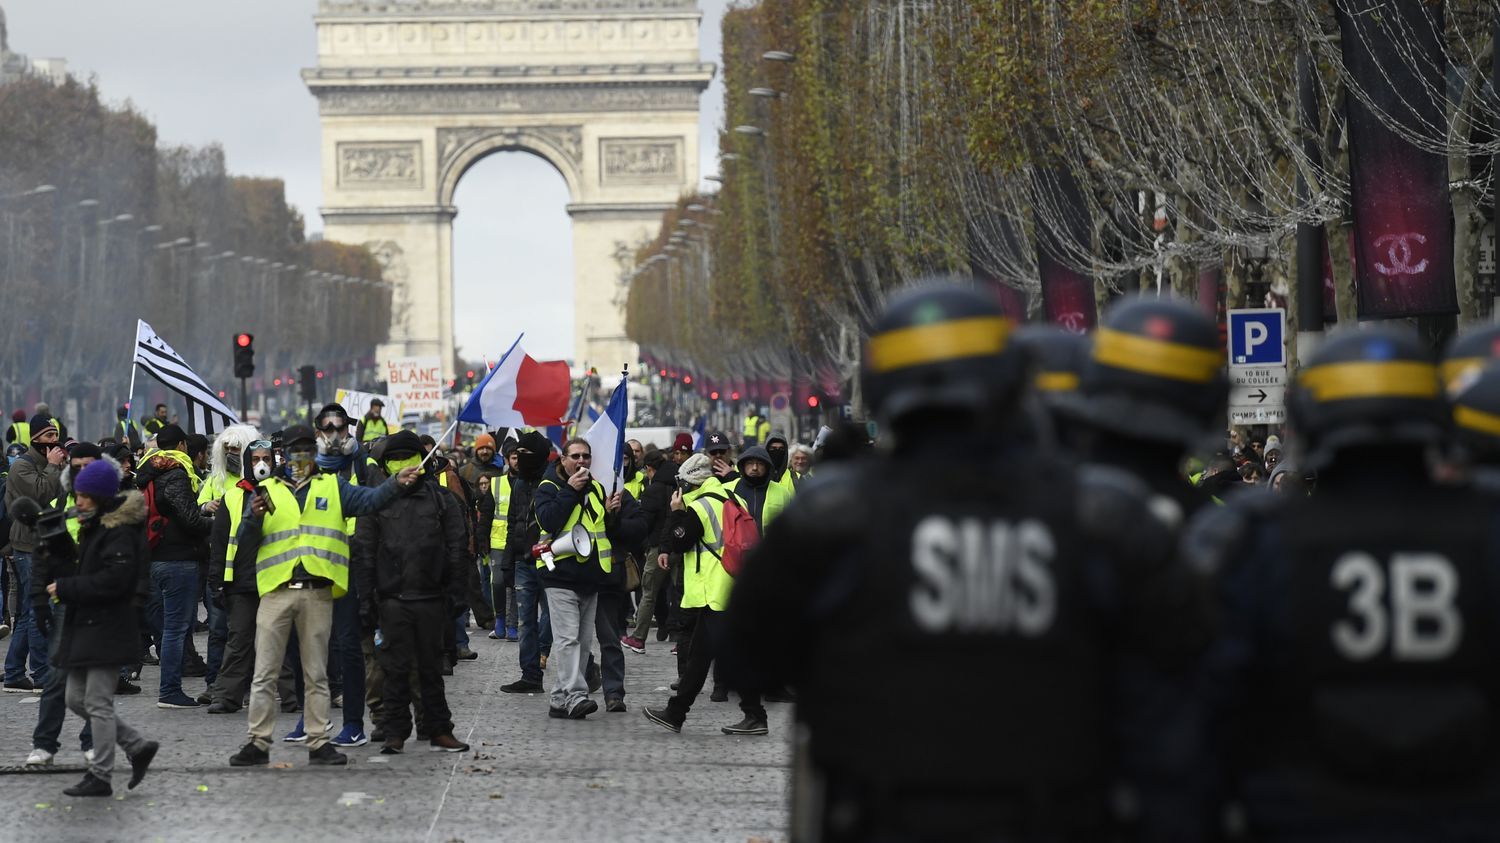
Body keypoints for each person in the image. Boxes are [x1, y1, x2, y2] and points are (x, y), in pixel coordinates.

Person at [721, 281, 1212, 841]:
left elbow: (745, 662)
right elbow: (1181, 672)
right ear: (1009, 380)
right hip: (1057, 816)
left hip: (882, 816)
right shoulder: (1103, 515)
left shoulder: (834, 519)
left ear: (880, 387)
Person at [1188, 326, 1500, 840]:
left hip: (1304, 816)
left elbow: (1216, 705)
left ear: (1308, 419)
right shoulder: (1486, 529)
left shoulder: (1260, 541)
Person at [227, 424, 419, 768]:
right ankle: (257, 742)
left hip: (317, 593)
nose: (300, 455)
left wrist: (395, 482)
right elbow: (244, 540)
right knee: (265, 672)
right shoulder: (266, 490)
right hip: (276, 593)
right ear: (282, 454)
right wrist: (254, 520)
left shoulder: (333, 486)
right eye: (293, 449)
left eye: (306, 449)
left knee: (316, 673)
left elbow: (370, 500)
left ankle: (318, 743)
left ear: (314, 453)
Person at [353, 430, 470, 754]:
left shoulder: (441, 499)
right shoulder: (375, 502)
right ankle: (395, 731)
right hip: (392, 599)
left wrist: (456, 591)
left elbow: (457, 547)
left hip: (430, 597)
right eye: (396, 460)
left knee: (432, 669)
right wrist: (366, 601)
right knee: (394, 670)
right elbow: (364, 552)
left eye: (409, 459)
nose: (404, 466)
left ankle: (438, 730)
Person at [46, 460, 158, 797]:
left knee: (96, 702)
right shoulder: (94, 525)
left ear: (100, 496)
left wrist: (67, 588)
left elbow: (115, 581)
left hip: (109, 626)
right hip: (91, 626)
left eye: (85, 495)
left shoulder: (118, 530)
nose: (78, 501)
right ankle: (136, 746)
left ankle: (101, 775)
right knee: (76, 698)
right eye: (77, 494)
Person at [644, 452, 770, 735]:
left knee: (726, 656)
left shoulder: (700, 507)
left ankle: (755, 716)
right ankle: (676, 712)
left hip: (716, 589)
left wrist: (677, 511)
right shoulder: (730, 496)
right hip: (732, 583)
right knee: (700, 657)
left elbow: (681, 541)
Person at [531, 438, 645, 719]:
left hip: (591, 578)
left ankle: (559, 699)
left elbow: (603, 530)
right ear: (563, 460)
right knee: (568, 640)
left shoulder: (595, 488)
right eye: (575, 456)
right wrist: (570, 491)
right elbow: (548, 520)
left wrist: (611, 514)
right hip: (560, 576)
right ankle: (575, 695)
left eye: (586, 456)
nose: (581, 461)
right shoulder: (549, 488)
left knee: (582, 643)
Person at [26, 443, 104, 768]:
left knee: (94, 684)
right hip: (64, 604)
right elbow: (42, 557)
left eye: (89, 466)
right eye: (76, 466)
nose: (81, 472)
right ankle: (44, 745)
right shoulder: (59, 504)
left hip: (100, 605)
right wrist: (39, 601)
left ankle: (92, 742)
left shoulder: (112, 509)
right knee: (56, 678)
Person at [134, 424, 217, 709]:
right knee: (176, 629)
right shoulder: (176, 473)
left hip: (156, 556)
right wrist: (218, 525)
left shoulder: (149, 471)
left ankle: (170, 688)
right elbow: (189, 519)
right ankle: (170, 690)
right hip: (177, 559)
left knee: (170, 627)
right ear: (182, 446)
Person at [205, 438, 270, 715]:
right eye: (255, 460)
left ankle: (292, 696)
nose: (261, 465)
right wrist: (216, 580)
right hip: (241, 582)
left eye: (265, 459)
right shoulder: (233, 496)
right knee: (239, 640)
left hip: (275, 579)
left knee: (284, 642)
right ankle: (227, 696)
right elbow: (220, 541)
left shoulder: (283, 493)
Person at [4, 414, 66, 693]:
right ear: (36, 438)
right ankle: (39, 672)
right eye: (49, 436)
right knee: (36, 608)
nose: (55, 441)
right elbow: (40, 495)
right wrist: (54, 467)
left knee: (30, 610)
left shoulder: (47, 464)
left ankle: (15, 671)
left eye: (56, 436)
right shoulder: (22, 467)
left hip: (44, 543)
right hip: (27, 545)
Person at [497, 431, 554, 695]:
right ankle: (530, 675)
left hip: (550, 559)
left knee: (556, 616)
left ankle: (585, 668)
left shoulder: (552, 480)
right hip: (524, 560)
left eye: (525, 456)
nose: (519, 460)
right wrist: (509, 561)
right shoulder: (519, 483)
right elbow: (513, 523)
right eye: (518, 455)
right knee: (525, 621)